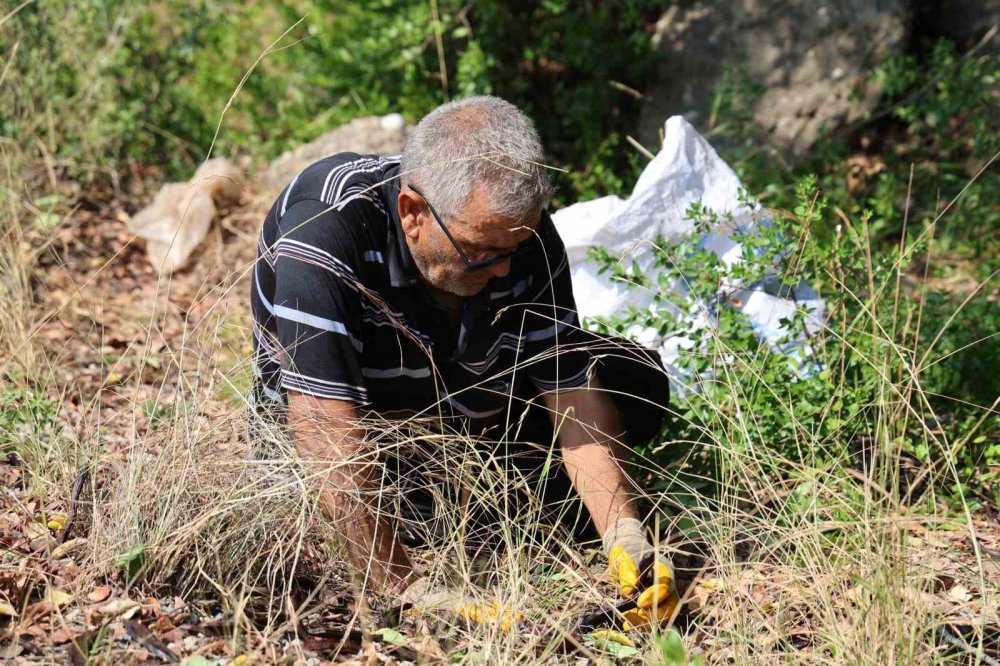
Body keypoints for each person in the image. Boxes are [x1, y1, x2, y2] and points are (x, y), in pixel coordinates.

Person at [249, 95, 676, 627]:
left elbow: (571, 392)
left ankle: (493, 514)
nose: (503, 270)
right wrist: (413, 593)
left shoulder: (521, 239)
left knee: (633, 381)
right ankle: (420, 532)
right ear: (412, 214)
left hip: (461, 415)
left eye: (515, 249)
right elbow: (324, 432)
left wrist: (625, 534)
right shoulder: (323, 236)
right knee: (357, 488)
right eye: (482, 252)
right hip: (363, 443)